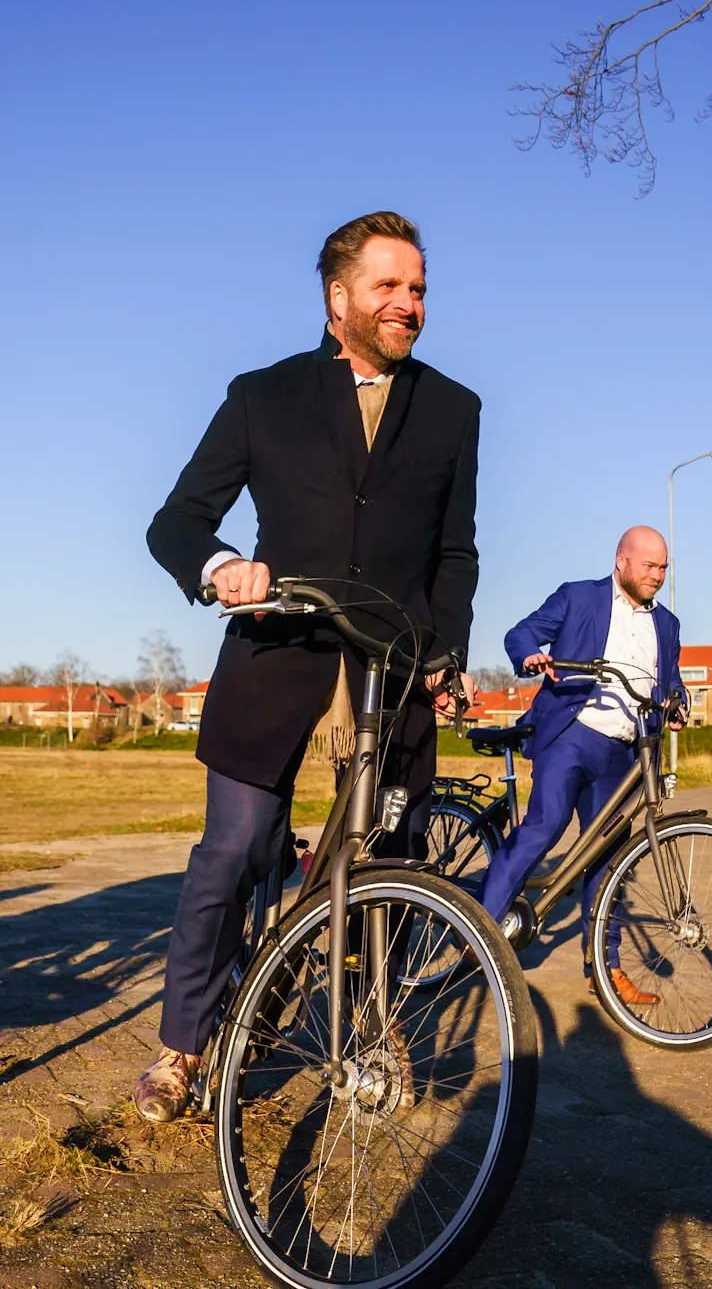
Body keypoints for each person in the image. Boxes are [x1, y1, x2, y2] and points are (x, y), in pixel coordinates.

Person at [139, 211, 482, 1122]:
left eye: (418, 289)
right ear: (340, 300)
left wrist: (448, 648)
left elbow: (456, 553)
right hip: (277, 653)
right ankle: (182, 1045)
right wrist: (222, 569)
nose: (408, 303)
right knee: (236, 848)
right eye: (389, 286)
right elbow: (175, 523)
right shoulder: (264, 395)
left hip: (396, 669)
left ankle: (374, 1018)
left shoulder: (454, 409)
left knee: (394, 859)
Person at [485, 526, 684, 1006]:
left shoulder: (668, 624)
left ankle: (605, 968)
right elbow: (522, 632)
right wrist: (530, 654)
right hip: (572, 735)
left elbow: (672, 682)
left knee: (606, 858)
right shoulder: (579, 597)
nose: (657, 575)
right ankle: (480, 930)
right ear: (622, 561)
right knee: (545, 825)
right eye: (649, 566)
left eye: (663, 567)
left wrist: (678, 704)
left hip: (625, 751)